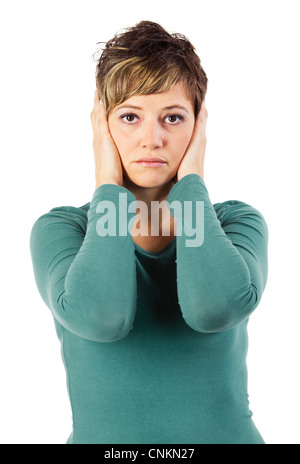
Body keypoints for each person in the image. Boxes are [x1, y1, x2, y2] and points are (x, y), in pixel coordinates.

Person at [29, 20, 269, 444]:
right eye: (129, 117)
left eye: (173, 117)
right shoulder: (63, 229)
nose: (151, 138)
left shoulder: (237, 223)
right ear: (102, 126)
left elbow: (212, 308)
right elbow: (101, 317)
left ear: (199, 126)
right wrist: (108, 181)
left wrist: (191, 180)